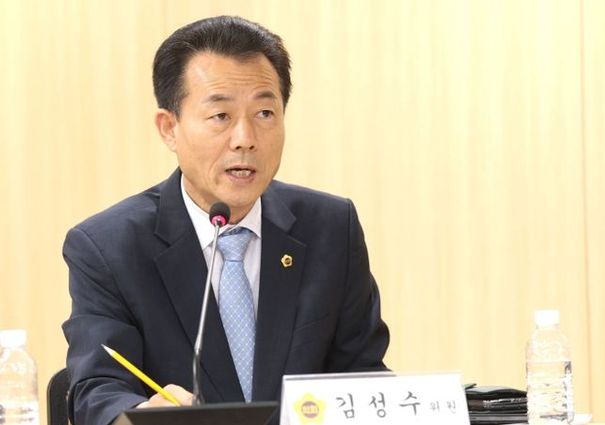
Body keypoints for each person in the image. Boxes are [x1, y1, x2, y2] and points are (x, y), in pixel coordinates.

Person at [62, 16, 389, 425]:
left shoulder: (331, 228)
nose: (245, 139)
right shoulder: (107, 247)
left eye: (265, 113)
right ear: (169, 128)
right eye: (220, 116)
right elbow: (97, 389)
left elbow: (364, 375)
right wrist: (140, 415)